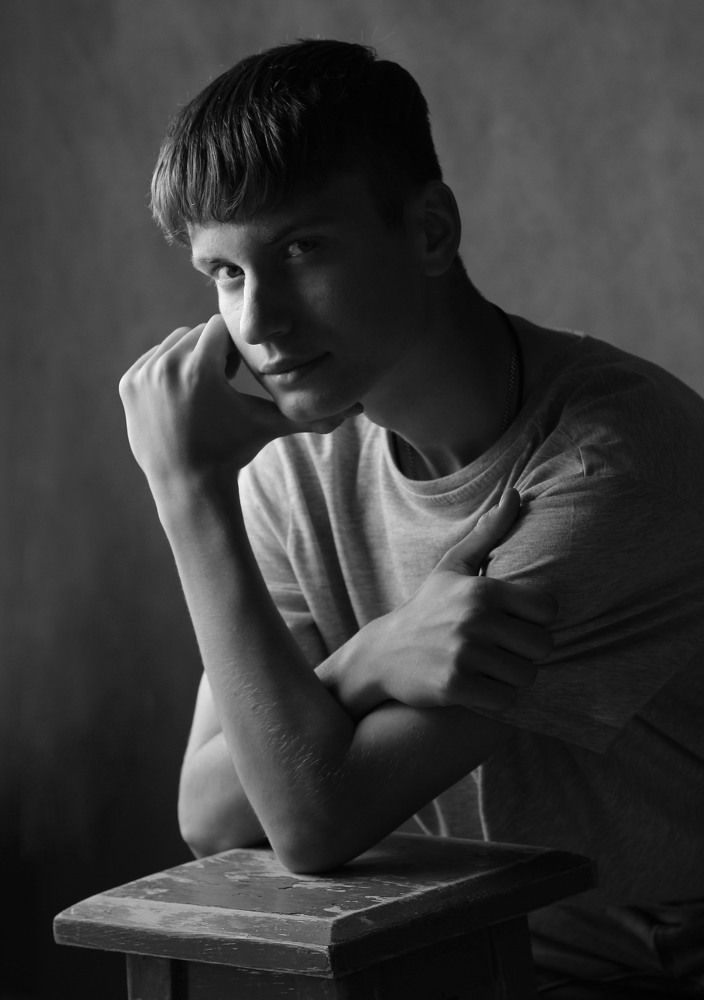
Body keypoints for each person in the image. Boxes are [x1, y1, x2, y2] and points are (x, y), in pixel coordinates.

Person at [119, 39, 704, 998]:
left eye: (301, 249)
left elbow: (311, 821)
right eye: (224, 272)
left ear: (431, 231)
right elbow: (212, 815)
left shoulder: (608, 463)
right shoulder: (291, 472)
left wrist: (188, 490)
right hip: (457, 958)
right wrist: (369, 658)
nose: (258, 322)